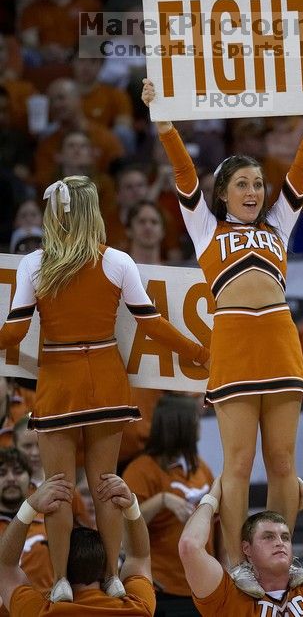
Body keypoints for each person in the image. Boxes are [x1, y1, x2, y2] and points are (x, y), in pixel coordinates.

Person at [141, 76, 303, 597]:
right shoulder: (205, 227)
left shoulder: (280, 222)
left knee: (282, 462)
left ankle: (279, 557)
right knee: (236, 463)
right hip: (233, 346)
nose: (253, 192)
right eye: (242, 185)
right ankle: (238, 563)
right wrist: (163, 121)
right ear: (223, 193)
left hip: (280, 340)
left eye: (257, 183)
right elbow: (183, 171)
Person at [0, 175, 209, 602]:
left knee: (56, 485)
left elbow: (16, 331)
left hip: (58, 380)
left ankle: (60, 579)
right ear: (93, 211)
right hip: (106, 381)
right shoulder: (118, 261)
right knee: (108, 485)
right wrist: (198, 352)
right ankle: (112, 575)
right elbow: (150, 323)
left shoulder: (34, 265)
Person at [178, 476, 303, 613]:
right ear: (247, 549)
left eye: (285, 537)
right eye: (268, 537)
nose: (280, 543)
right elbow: (190, 546)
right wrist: (211, 501)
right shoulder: (228, 597)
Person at [0, 472, 156, 615]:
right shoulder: (137, 608)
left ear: (59, 569)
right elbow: (139, 557)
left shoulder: (41, 612)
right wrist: (131, 507)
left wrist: (30, 505)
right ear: (106, 570)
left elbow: (5, 566)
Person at [123, 393, 218, 616]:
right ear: (179, 424)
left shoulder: (200, 468)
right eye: (195, 418)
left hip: (203, 587)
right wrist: (162, 500)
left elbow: (218, 525)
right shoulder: (141, 470)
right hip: (163, 589)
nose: (200, 425)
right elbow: (123, 529)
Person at [0, 447, 53, 594]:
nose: (11, 478)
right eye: (2, 473)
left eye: (17, 471)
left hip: (47, 610)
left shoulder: (50, 517)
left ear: (31, 480)